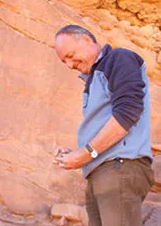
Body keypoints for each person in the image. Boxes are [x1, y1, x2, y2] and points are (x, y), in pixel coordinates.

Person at [52, 24, 154, 226]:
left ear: (87, 40)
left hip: (119, 167)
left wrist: (83, 155)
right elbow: (107, 128)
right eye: (64, 61)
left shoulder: (118, 59)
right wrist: (76, 153)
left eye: (71, 55)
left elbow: (128, 112)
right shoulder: (94, 78)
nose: (69, 65)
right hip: (103, 170)